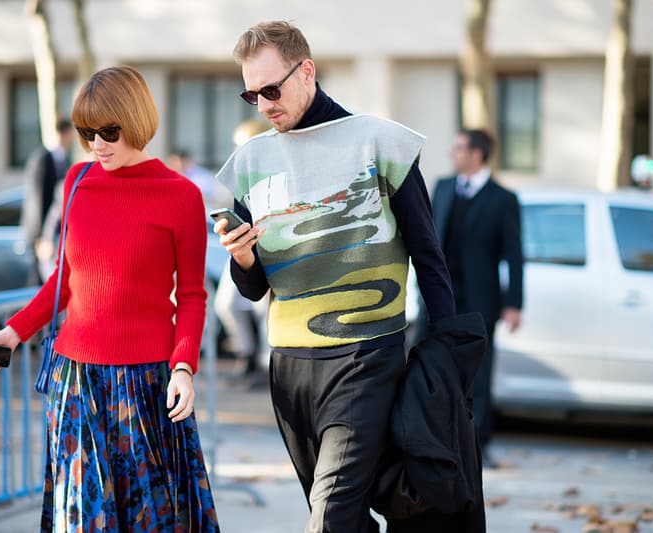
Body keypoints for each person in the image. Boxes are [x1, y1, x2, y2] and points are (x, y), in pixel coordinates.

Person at [214, 21, 455, 532]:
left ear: (307, 71)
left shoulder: (380, 142)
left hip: (365, 357)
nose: (263, 104)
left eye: (271, 90)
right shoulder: (251, 162)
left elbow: (429, 256)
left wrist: (450, 353)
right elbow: (255, 289)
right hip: (289, 369)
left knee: (331, 518)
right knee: (342, 519)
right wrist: (242, 259)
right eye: (250, 94)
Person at [0, 65, 219, 533]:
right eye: (86, 132)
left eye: (108, 131)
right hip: (76, 381)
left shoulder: (181, 195)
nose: (96, 144)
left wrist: (184, 367)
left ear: (137, 122)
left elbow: (191, 296)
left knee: (152, 520)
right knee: (80, 518)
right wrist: (14, 331)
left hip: (146, 384)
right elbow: (65, 282)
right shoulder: (77, 182)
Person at [430, 128, 524, 469]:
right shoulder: (442, 188)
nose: (451, 154)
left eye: (458, 148)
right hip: (438, 298)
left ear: (476, 154)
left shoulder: (503, 199)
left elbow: (514, 254)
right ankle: (433, 440)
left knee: (479, 377)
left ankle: (478, 445)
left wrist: (515, 303)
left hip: (480, 301)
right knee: (430, 368)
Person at [213, 119, 271, 383]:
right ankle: (247, 355)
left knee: (264, 311)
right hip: (239, 249)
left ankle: (265, 363)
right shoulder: (240, 173)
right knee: (225, 305)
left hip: (268, 249)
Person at [21, 117, 75, 283]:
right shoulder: (42, 159)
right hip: (41, 234)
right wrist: (41, 239)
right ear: (65, 133)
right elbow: (37, 200)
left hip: (53, 233)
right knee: (38, 284)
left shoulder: (64, 160)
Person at [166, 148, 232, 208]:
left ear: (184, 161)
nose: (171, 166)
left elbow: (214, 198)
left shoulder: (200, 176)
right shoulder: (172, 177)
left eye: (174, 162)